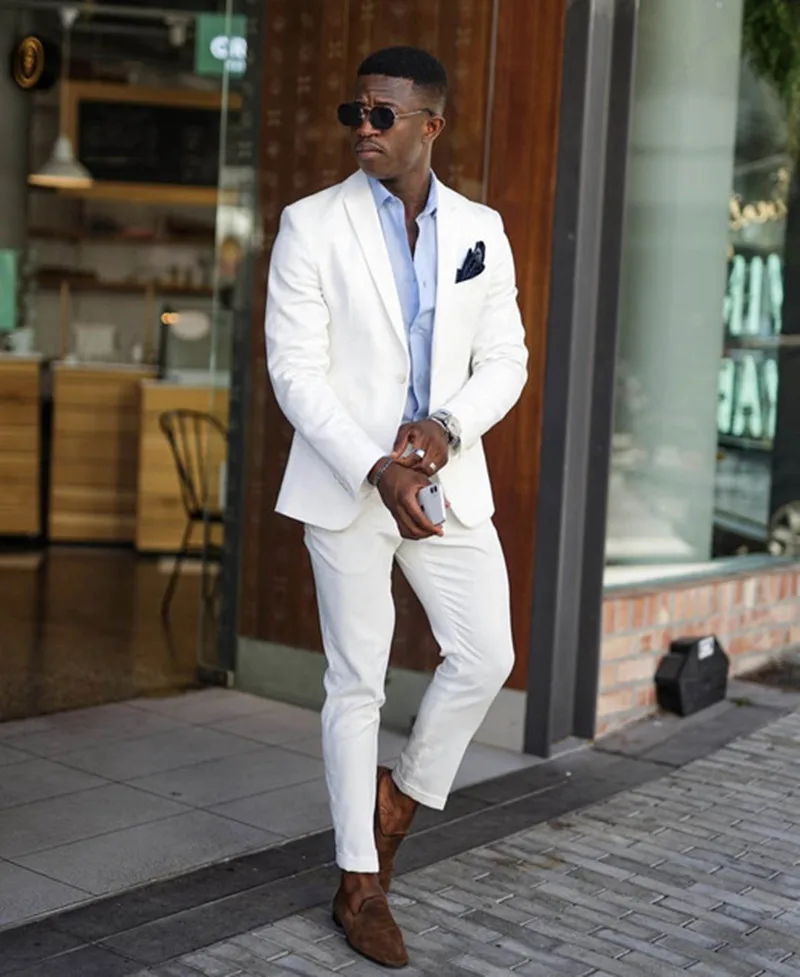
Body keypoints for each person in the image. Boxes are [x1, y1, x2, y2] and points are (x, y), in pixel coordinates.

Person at [265, 45, 528, 969]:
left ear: (431, 125)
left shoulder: (481, 229)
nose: (364, 129)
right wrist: (376, 466)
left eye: (383, 115)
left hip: (443, 478)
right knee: (358, 681)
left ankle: (398, 799)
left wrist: (447, 429)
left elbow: (507, 360)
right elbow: (295, 371)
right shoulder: (310, 225)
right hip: (349, 485)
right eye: (356, 113)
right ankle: (359, 883)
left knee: (488, 652)